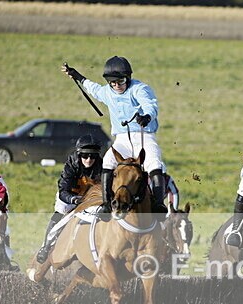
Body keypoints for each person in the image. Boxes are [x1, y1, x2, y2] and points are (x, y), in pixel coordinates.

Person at [62, 56, 168, 214]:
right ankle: (106, 204)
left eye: (121, 82)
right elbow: (94, 89)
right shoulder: (107, 91)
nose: (117, 86)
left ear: (128, 78)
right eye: (112, 83)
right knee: (108, 160)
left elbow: (150, 104)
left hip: (144, 136)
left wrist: (147, 116)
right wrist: (77, 76)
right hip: (122, 139)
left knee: (154, 163)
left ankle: (158, 205)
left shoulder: (140, 89)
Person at [35, 135, 103, 263]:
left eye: (93, 156)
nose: (89, 160)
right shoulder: (72, 164)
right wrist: (73, 200)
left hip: (89, 200)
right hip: (69, 198)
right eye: (85, 156)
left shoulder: (102, 165)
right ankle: (46, 246)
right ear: (79, 154)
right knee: (59, 216)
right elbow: (63, 190)